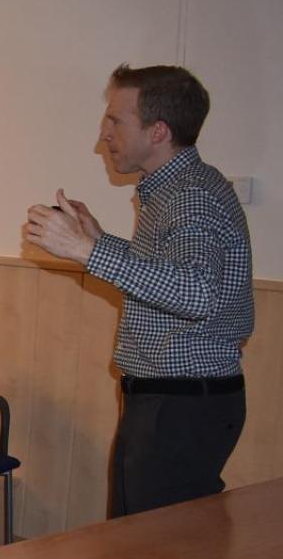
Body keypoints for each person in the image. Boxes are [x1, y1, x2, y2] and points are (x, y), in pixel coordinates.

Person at [25, 64, 253, 517]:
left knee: (159, 552)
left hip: (181, 407)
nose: (103, 135)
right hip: (173, 403)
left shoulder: (190, 195)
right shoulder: (176, 190)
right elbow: (171, 276)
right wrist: (99, 239)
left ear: (158, 131)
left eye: (116, 120)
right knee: (143, 545)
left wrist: (87, 251)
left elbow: (197, 293)